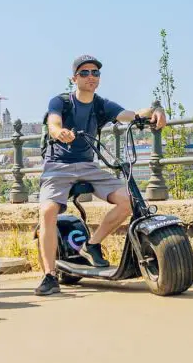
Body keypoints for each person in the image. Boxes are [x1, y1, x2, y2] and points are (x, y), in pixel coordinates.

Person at [35, 55, 167, 296]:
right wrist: (59, 132)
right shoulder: (61, 102)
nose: (91, 77)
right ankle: (49, 275)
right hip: (57, 166)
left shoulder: (100, 105)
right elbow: (53, 123)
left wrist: (156, 111)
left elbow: (132, 114)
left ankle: (92, 244)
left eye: (95, 72)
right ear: (74, 78)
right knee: (47, 212)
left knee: (128, 200)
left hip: (88, 165)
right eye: (84, 73)